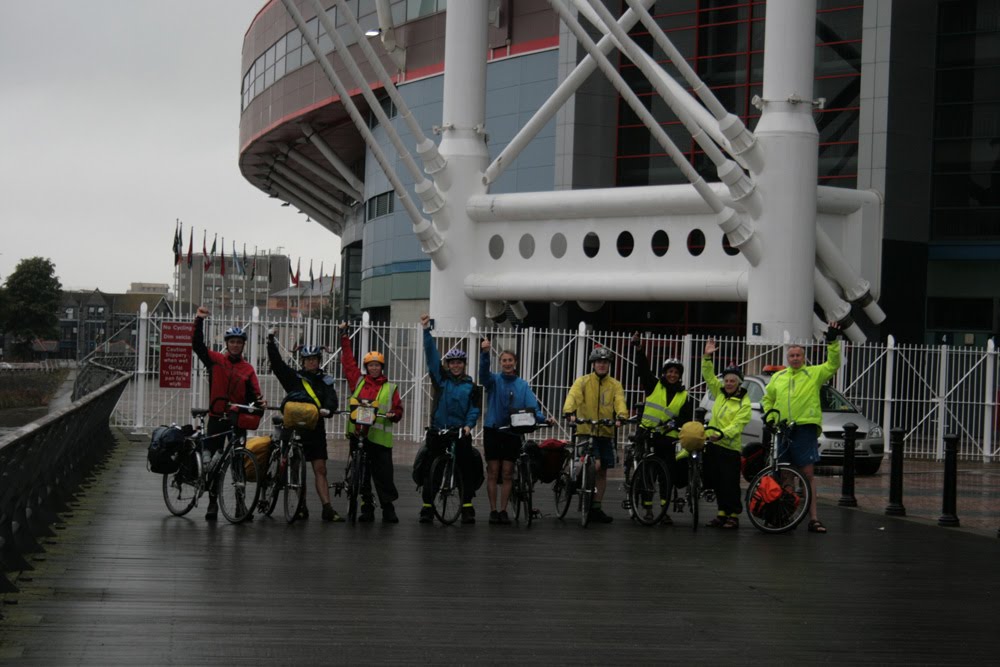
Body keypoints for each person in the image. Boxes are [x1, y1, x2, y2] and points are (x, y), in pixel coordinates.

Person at [762, 322, 842, 534]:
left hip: (805, 428)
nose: (795, 358)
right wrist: (769, 416)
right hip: (784, 429)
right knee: (787, 475)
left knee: (808, 475)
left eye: (798, 355)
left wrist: (833, 342)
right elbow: (767, 399)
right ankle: (787, 515)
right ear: (787, 359)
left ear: (803, 357)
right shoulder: (779, 377)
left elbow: (834, 364)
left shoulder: (814, 374)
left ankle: (814, 518)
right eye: (792, 356)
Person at [191, 306, 265, 521]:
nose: (235, 345)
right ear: (227, 343)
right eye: (232, 341)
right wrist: (199, 320)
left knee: (237, 464)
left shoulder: (248, 369)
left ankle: (240, 504)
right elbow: (197, 345)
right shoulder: (215, 360)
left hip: (237, 420)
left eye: (239, 342)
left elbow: (254, 395)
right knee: (214, 462)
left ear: (243, 345)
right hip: (217, 418)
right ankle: (213, 503)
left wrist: (260, 402)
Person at [266, 332, 343, 522]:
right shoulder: (294, 377)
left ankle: (327, 508)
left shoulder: (326, 381)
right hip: (295, 429)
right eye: (307, 360)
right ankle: (301, 506)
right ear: (303, 361)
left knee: (320, 469)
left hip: (315, 429)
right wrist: (270, 343)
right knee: (296, 470)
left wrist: (329, 409)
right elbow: (277, 365)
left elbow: (332, 400)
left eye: (314, 359)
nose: (311, 363)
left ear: (319, 360)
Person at [479, 338, 555, 525]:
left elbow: (532, 407)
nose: (507, 363)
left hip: (512, 432)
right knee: (493, 471)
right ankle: (493, 510)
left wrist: (544, 419)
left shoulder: (522, 385)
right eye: (504, 360)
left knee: (507, 472)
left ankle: (503, 510)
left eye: (510, 360)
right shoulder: (494, 381)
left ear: (515, 363)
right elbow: (483, 375)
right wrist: (485, 354)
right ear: (500, 363)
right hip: (493, 429)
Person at [339, 321, 404, 523]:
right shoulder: (358, 381)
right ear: (366, 367)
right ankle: (366, 506)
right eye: (370, 365)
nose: (374, 368)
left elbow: (397, 408)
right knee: (362, 475)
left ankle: (388, 508)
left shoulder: (390, 387)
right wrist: (344, 337)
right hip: (358, 435)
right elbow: (348, 362)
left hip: (379, 439)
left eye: (377, 365)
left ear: (381, 367)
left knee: (383, 475)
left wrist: (394, 414)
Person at [420, 314, 482, 524]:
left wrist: (468, 425)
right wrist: (426, 332)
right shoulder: (441, 380)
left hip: (460, 431)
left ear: (464, 365)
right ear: (448, 365)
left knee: (466, 468)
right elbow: (431, 356)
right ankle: (427, 507)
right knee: (432, 470)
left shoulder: (471, 386)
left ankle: (466, 506)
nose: (455, 366)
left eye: (459, 363)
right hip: (439, 430)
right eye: (452, 363)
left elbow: (474, 409)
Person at [630, 333, 696, 525]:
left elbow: (684, 418)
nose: (672, 375)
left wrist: (673, 425)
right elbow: (643, 370)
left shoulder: (685, 396)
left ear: (679, 375)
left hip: (668, 439)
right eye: (669, 371)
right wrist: (639, 349)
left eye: (676, 372)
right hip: (648, 435)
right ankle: (648, 508)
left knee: (666, 475)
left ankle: (664, 510)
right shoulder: (654, 385)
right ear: (664, 373)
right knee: (647, 473)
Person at [562, 347, 628, 524]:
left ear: (609, 365)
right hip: (586, 430)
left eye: (605, 362)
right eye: (599, 362)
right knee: (595, 465)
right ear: (593, 364)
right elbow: (573, 396)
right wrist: (569, 411)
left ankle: (596, 508)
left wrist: (622, 415)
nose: (602, 365)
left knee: (603, 471)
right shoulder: (582, 382)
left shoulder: (615, 384)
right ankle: (576, 482)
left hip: (605, 432)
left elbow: (619, 401)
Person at [700, 338, 752, 529]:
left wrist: (720, 434)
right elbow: (708, 375)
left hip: (729, 448)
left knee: (730, 484)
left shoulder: (743, 402)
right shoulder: (720, 392)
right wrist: (707, 356)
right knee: (717, 481)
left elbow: (738, 425)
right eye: (727, 380)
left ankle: (733, 516)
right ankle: (721, 514)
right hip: (714, 445)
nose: (729, 383)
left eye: (732, 381)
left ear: (739, 384)